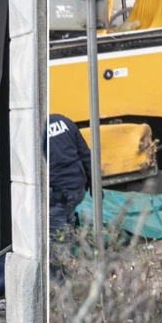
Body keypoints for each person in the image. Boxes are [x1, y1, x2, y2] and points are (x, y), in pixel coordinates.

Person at [48, 113, 92, 283]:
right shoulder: (65, 121)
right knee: (66, 227)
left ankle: (62, 289)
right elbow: (85, 154)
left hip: (57, 195)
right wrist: (95, 182)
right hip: (75, 190)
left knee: (57, 243)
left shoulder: (37, 130)